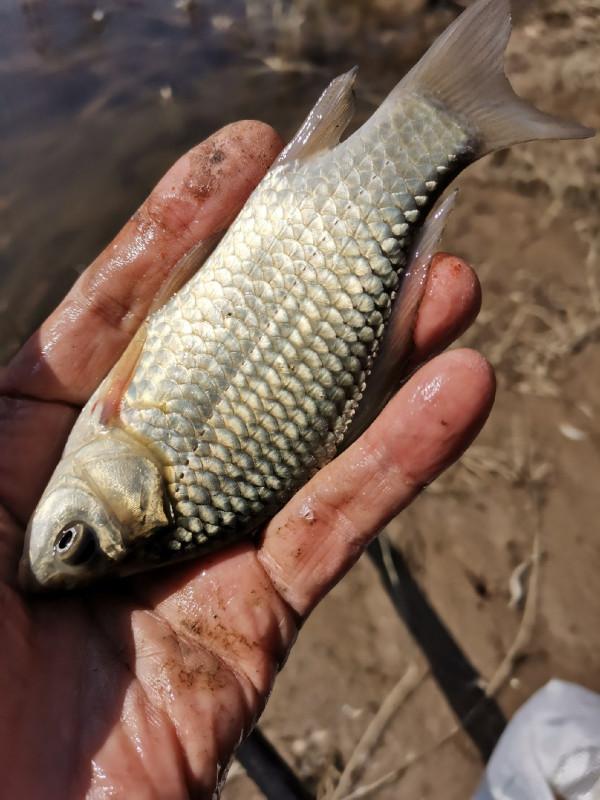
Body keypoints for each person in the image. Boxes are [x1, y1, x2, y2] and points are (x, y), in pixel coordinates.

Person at [0, 121, 494, 798]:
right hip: (304, 308)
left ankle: (433, 127)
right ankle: (439, 127)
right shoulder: (117, 441)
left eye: (70, 539)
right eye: (72, 540)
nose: (48, 546)